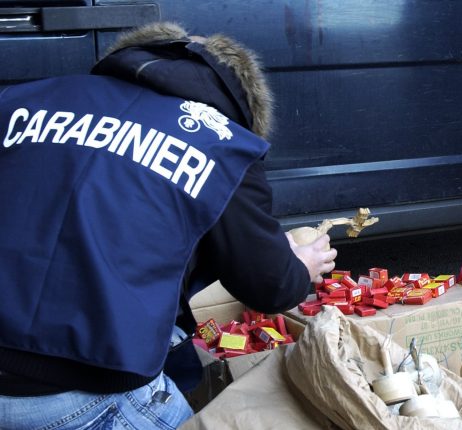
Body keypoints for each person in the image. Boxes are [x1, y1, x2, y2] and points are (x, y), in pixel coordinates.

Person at [0, 22, 337, 428]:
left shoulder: (23, 99)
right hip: (75, 387)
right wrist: (298, 266)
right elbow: (271, 286)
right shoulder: (222, 145)